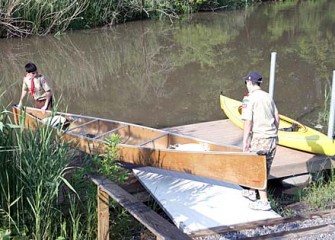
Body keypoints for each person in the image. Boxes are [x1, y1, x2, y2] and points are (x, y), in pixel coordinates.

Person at [240, 71, 279, 211]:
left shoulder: (249, 98)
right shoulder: (267, 96)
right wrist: (273, 132)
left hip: (260, 138)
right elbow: (276, 118)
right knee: (263, 168)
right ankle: (251, 191)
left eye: (246, 82)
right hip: (273, 139)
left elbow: (248, 122)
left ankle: (263, 202)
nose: (246, 84)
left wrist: (245, 141)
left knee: (258, 169)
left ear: (250, 82)